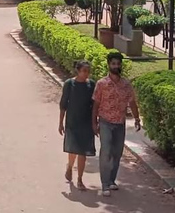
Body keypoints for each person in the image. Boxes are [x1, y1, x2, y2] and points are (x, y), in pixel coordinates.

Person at [92, 51, 140, 197]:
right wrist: (94, 123)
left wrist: (137, 119)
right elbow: (95, 104)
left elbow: (132, 102)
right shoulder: (101, 84)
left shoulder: (126, 84)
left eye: (118, 64)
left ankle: (112, 180)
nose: (116, 66)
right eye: (113, 64)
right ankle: (105, 184)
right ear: (108, 65)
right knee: (106, 151)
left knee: (117, 153)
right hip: (105, 121)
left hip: (120, 123)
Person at [59, 61, 96, 190]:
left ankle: (80, 179)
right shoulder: (69, 84)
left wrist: (95, 122)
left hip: (86, 122)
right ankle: (70, 166)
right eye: (84, 71)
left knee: (83, 152)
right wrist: (60, 123)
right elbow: (63, 104)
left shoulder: (91, 85)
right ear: (78, 71)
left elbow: (94, 104)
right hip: (73, 122)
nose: (86, 73)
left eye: (88, 71)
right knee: (73, 148)